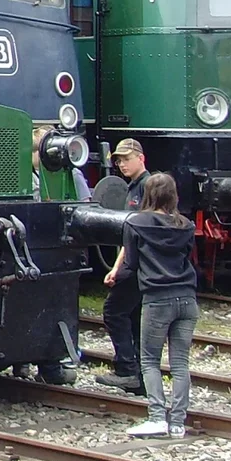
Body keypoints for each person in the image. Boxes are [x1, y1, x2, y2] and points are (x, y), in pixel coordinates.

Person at [105, 173, 198, 438]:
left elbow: (131, 265)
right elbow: (186, 257)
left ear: (147, 194)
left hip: (158, 299)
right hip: (188, 299)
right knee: (180, 363)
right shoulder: (186, 225)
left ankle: (157, 417)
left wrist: (114, 277)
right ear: (173, 195)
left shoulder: (136, 223)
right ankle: (178, 422)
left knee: (149, 361)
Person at [94, 139, 147, 393]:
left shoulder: (146, 188)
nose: (122, 164)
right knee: (133, 315)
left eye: (127, 159)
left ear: (141, 158)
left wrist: (118, 267)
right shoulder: (133, 188)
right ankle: (140, 372)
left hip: (138, 264)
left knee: (114, 311)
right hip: (135, 262)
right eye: (119, 160)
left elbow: (137, 232)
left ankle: (128, 369)